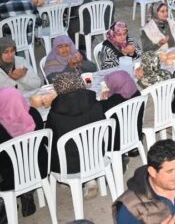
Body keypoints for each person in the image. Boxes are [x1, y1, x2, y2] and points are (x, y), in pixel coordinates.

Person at [46, 72, 106, 174]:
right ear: (80, 83)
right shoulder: (95, 104)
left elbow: (50, 140)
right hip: (97, 155)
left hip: (68, 165)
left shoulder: (54, 114)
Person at [0, 88, 44, 220]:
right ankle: (27, 194)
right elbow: (44, 139)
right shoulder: (34, 114)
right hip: (39, 169)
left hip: (10, 178)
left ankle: (4, 203)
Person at [101, 70, 144, 152]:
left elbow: (101, 113)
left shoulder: (111, 102)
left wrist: (103, 100)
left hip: (116, 143)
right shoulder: (137, 93)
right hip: (135, 135)